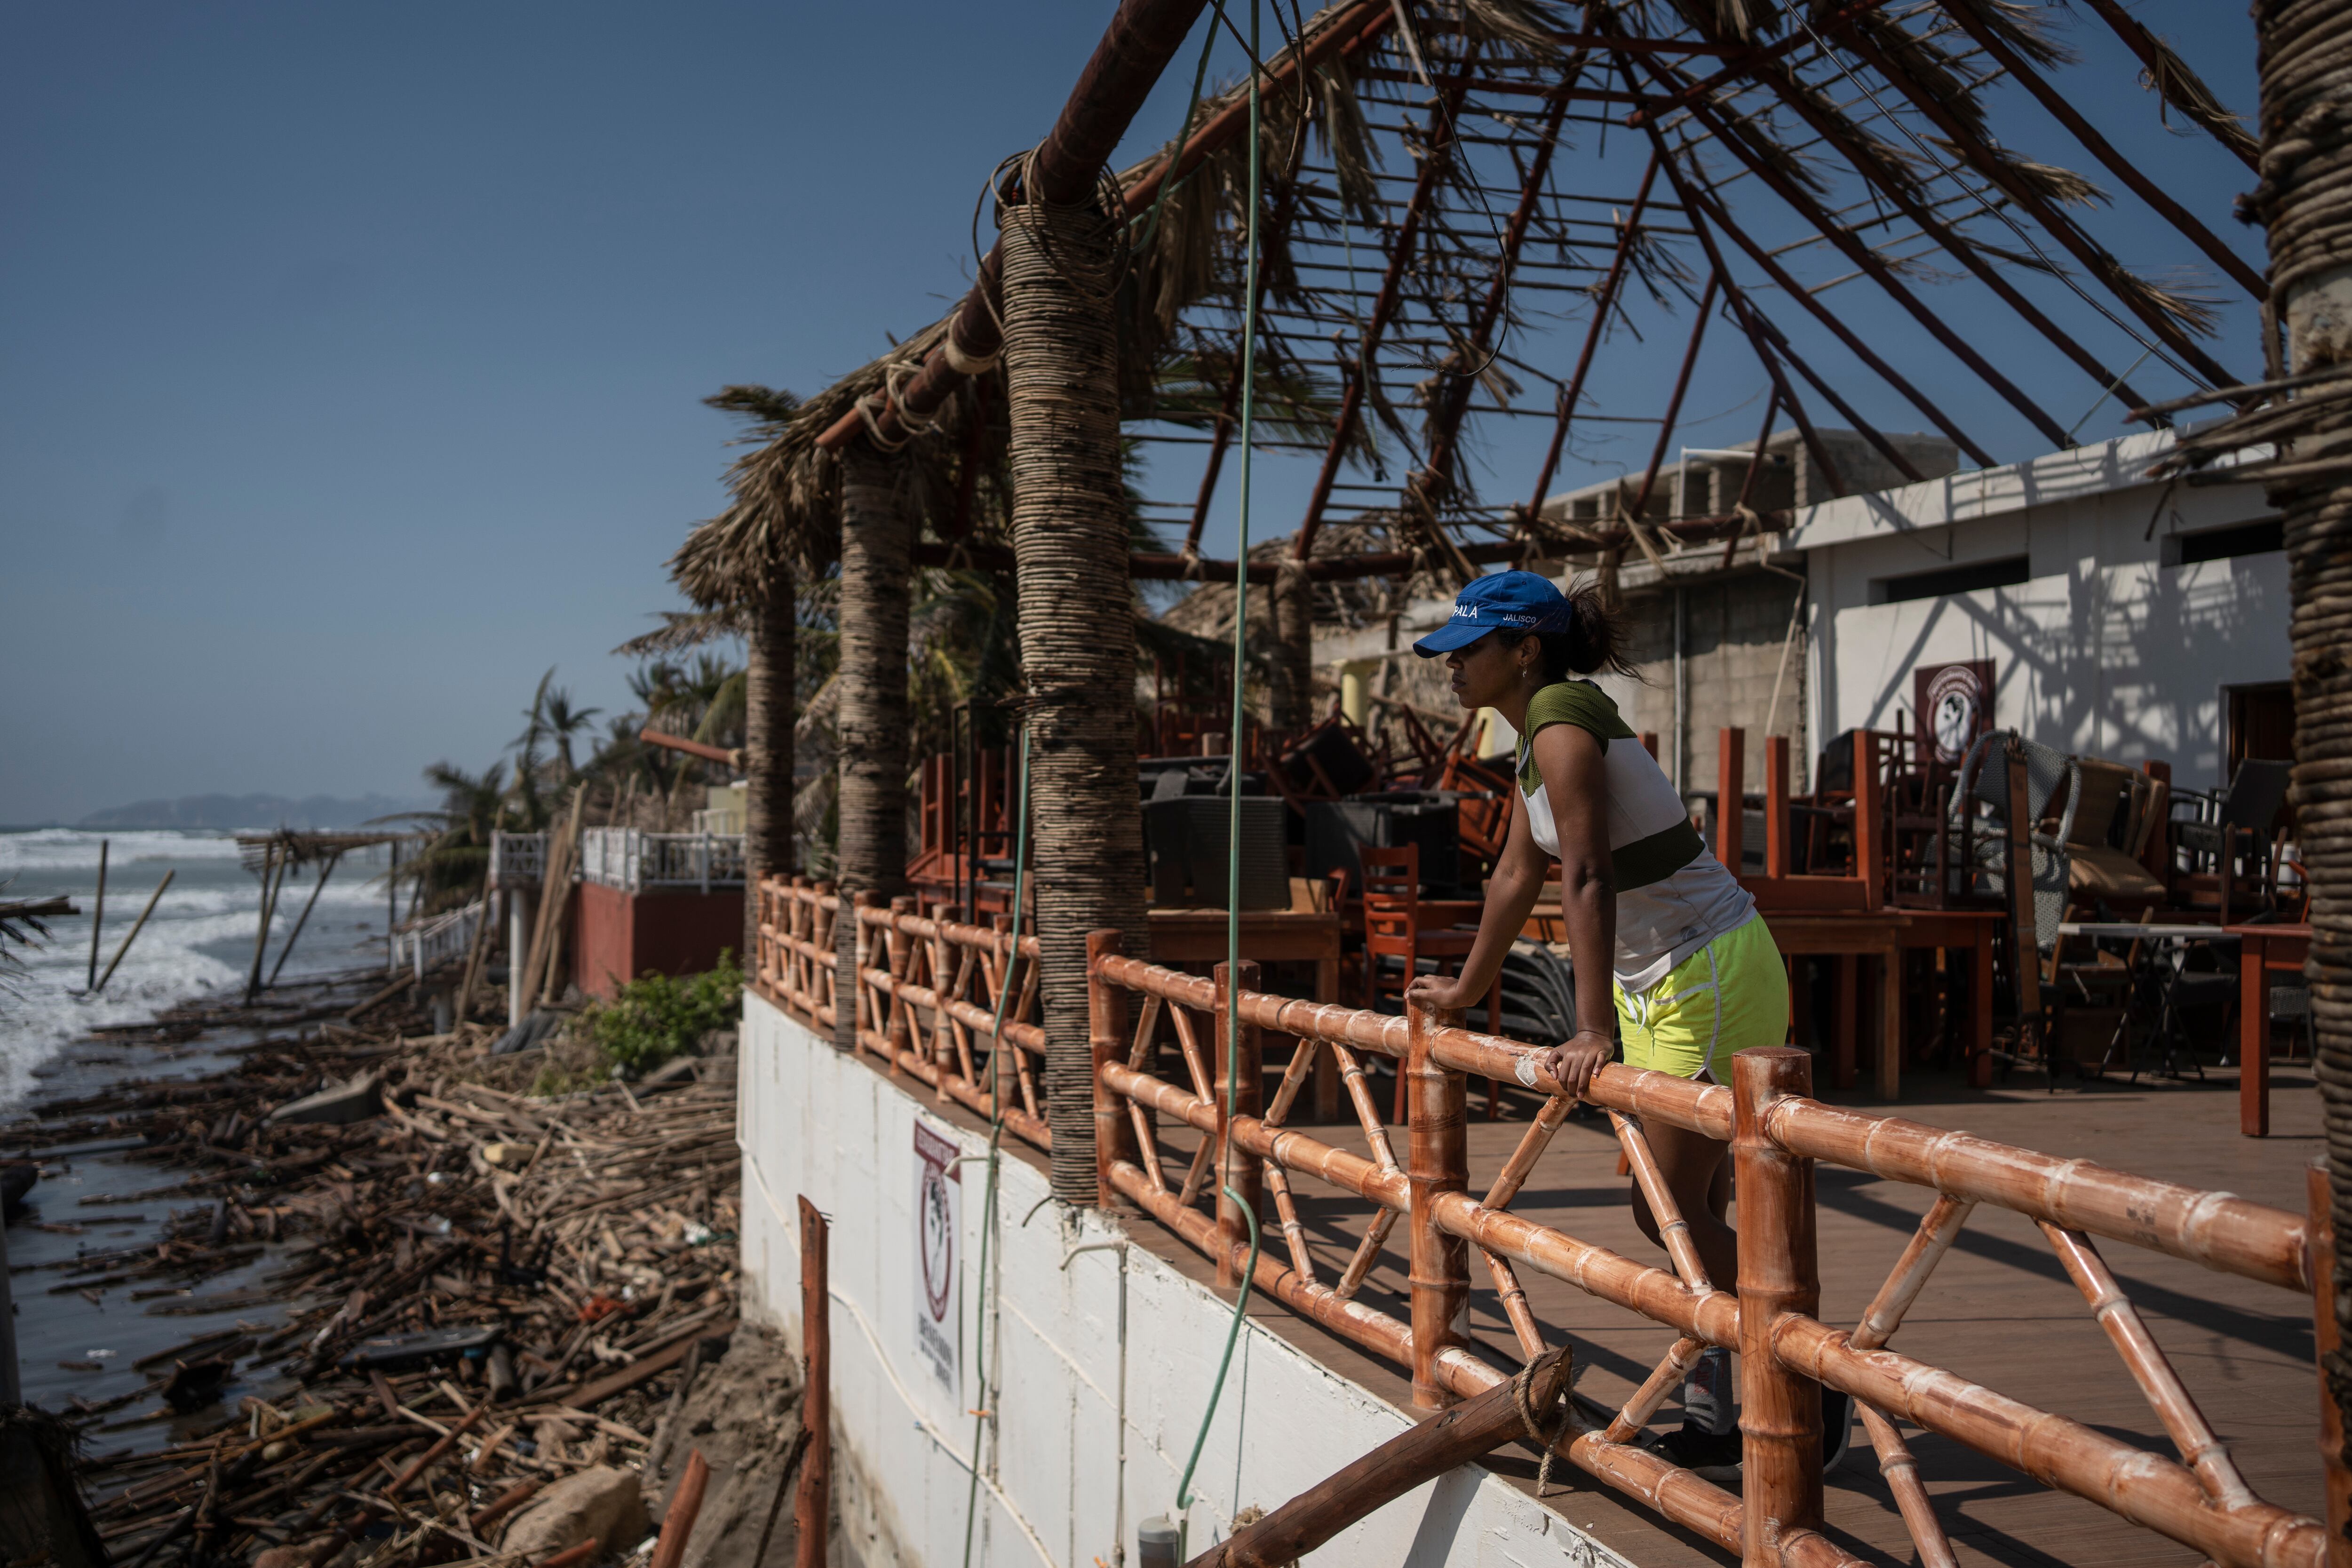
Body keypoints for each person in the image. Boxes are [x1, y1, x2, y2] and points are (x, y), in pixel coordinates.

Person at [1399, 569, 1843, 1477]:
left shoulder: (1562, 716)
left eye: (1468, 648)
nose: (1452, 667)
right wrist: (1465, 992)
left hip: (1703, 969)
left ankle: (1815, 1376)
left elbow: (1589, 873)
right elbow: (1518, 878)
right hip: (1666, 979)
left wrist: (1590, 1027)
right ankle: (1729, 1403)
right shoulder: (1535, 731)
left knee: (1667, 1210)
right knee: (1696, 1208)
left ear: (1524, 649)